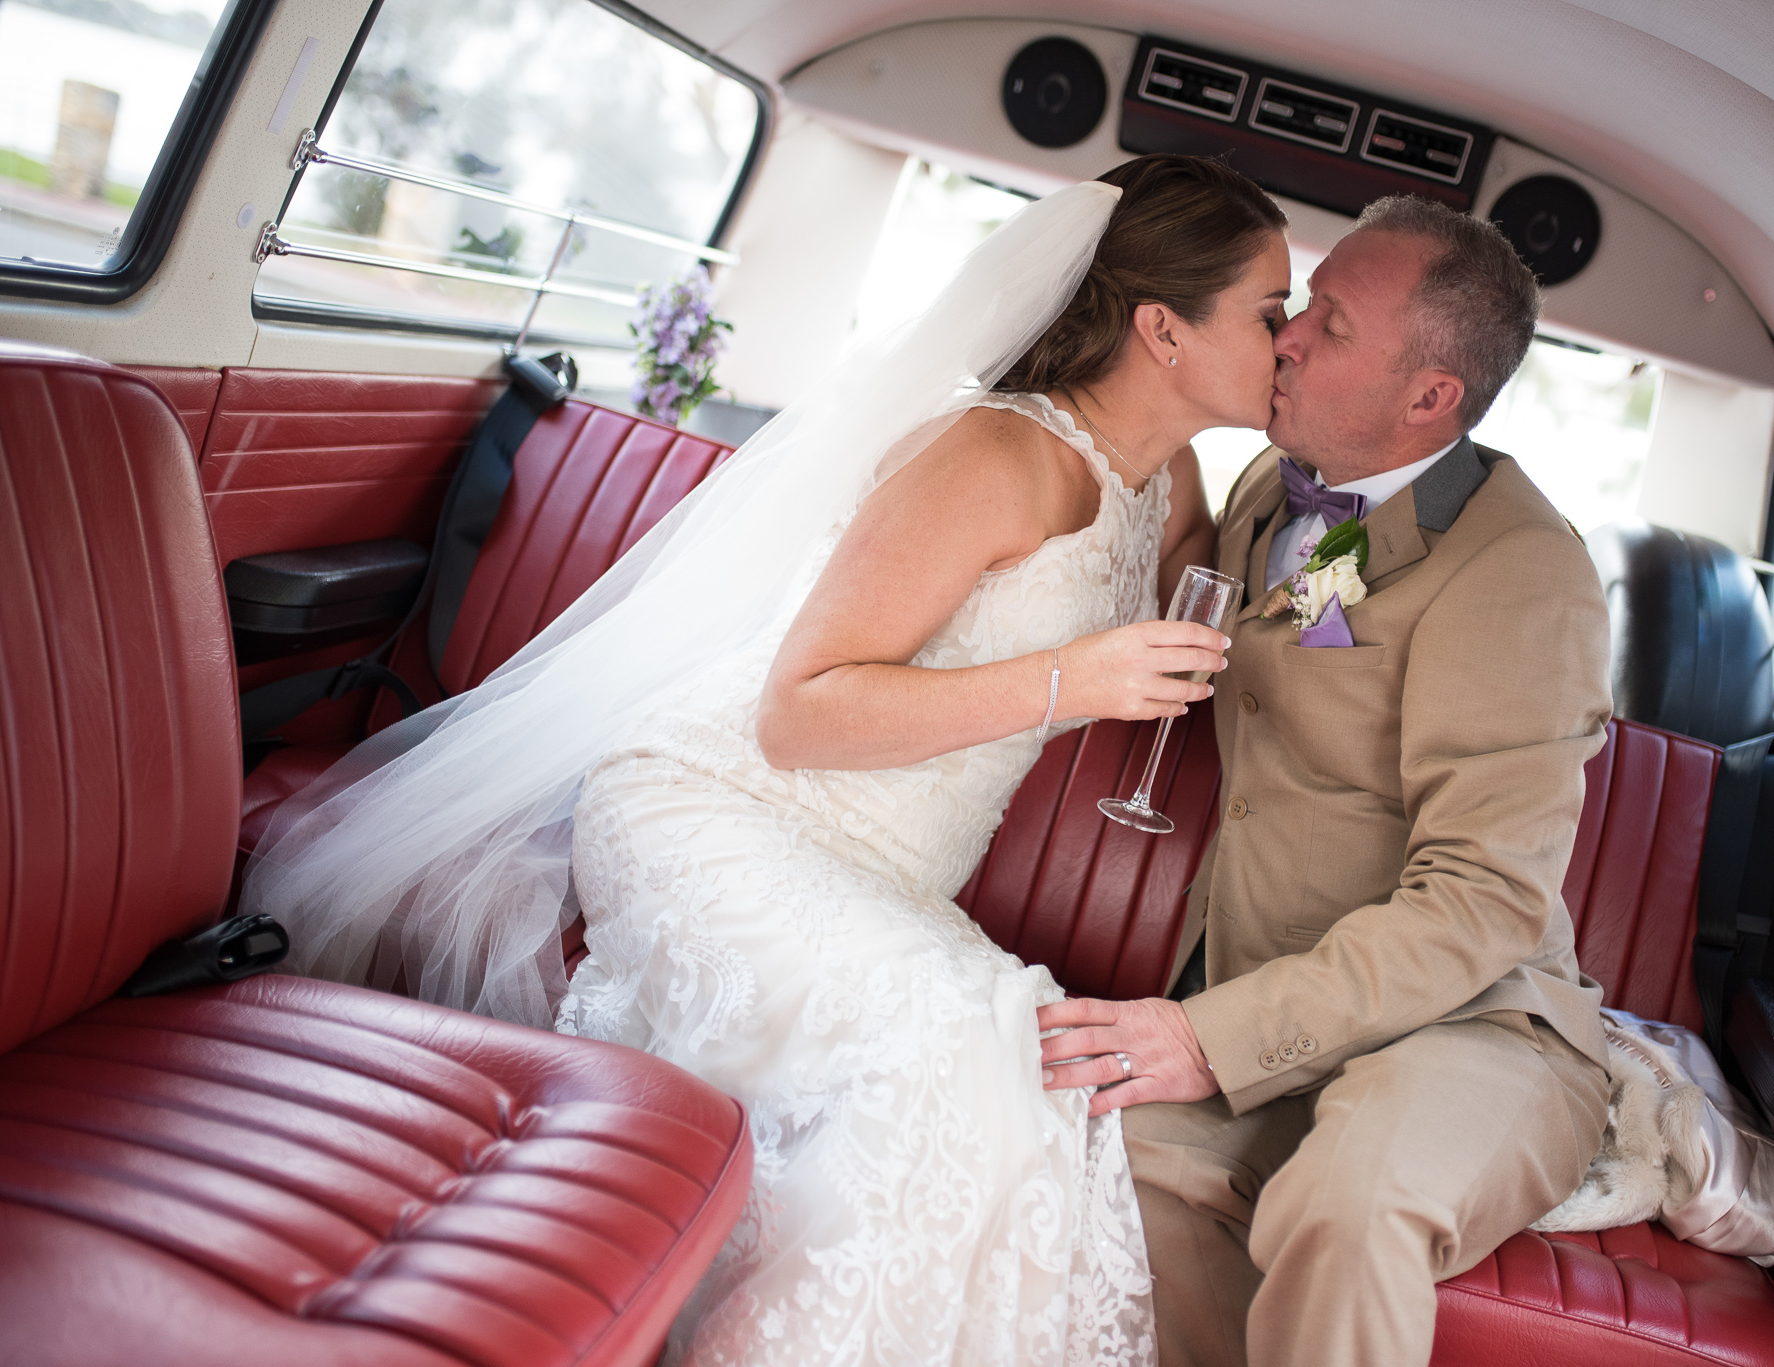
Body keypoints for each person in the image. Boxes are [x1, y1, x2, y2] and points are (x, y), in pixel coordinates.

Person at [245, 154, 1291, 1366]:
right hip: (721, 807)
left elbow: (1212, 600)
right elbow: (799, 712)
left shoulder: (1164, 479)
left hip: (883, 873)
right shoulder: (990, 454)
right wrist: (1076, 680)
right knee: (962, 1057)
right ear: (1163, 328)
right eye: (1272, 314)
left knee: (1028, 1067)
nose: (1293, 337)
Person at [1038, 195, 1614, 1367]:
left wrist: (1205, 1038)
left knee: (1343, 1203)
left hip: (1471, 1025)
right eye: (1297, 307)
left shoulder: (1521, 574)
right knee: (1088, 1155)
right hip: (1284, 1009)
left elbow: (1481, 903)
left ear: (1428, 397)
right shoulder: (1286, 482)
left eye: (1329, 325)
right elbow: (1283, 639)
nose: (1286, 335)